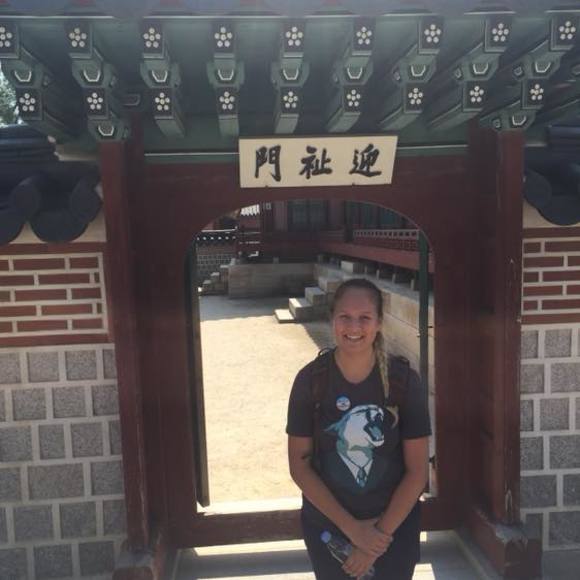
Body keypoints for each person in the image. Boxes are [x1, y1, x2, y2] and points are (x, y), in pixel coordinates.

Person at [286, 278, 431, 579]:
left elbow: (417, 471)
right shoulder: (310, 381)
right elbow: (299, 466)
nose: (354, 326)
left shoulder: (403, 381)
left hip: (393, 530)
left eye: (365, 317)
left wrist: (374, 541)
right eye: (345, 317)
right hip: (330, 530)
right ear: (332, 319)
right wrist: (354, 531)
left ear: (379, 322)